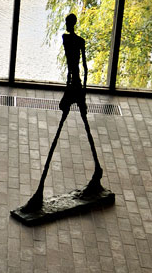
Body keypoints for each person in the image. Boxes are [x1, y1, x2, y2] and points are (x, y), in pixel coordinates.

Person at [23, 12, 104, 210]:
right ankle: (97, 169)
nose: (67, 25)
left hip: (74, 87)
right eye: (67, 23)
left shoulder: (73, 40)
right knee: (76, 123)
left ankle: (41, 190)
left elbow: (82, 67)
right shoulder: (68, 39)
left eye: (69, 22)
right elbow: (76, 66)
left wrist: (82, 90)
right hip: (72, 85)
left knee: (68, 126)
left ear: (73, 23)